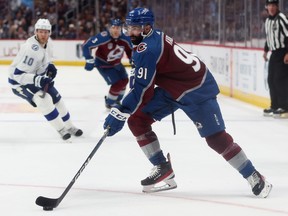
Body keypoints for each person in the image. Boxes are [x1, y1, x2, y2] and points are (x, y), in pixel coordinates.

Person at [103, 8, 272, 197]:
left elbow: (143, 89)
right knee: (137, 120)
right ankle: (162, 167)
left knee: (216, 139)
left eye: (135, 28)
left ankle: (254, 175)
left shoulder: (148, 48)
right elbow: (142, 80)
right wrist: (129, 107)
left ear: (147, 27)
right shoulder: (147, 39)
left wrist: (121, 111)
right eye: (129, 27)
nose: (131, 32)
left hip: (196, 89)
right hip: (173, 87)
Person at [8, 18, 83, 141]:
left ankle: (70, 127)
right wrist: (39, 80)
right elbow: (18, 75)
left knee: (58, 100)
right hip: (20, 83)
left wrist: (50, 66)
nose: (43, 34)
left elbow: (45, 59)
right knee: (45, 101)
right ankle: (61, 129)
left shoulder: (49, 43)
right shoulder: (31, 49)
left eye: (46, 32)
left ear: (50, 32)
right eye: (41, 32)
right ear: (36, 32)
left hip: (36, 77)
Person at [82, 19, 133, 109]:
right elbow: (87, 46)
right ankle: (110, 103)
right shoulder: (103, 37)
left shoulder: (125, 38)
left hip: (117, 63)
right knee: (117, 84)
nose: (115, 30)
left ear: (121, 28)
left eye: (118, 28)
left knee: (125, 81)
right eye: (113, 28)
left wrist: (132, 59)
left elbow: (130, 50)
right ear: (110, 28)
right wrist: (89, 60)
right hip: (103, 64)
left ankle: (117, 100)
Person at [263, 0, 288, 118]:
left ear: (277, 6)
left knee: (280, 80)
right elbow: (269, 38)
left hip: (283, 52)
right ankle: (275, 105)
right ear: (267, 7)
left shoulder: (282, 18)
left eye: (273, 5)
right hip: (274, 53)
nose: (271, 8)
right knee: (271, 79)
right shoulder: (267, 21)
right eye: (269, 5)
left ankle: (285, 106)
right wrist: (265, 50)